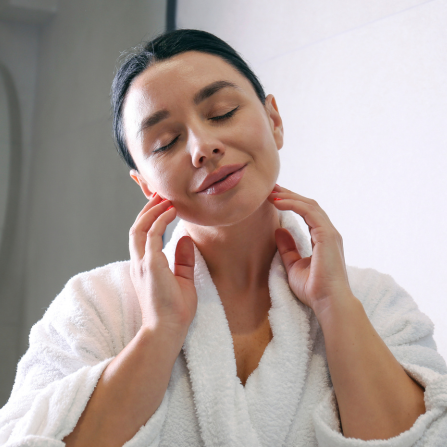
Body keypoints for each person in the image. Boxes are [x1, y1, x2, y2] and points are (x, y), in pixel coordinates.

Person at [1, 29, 446, 447]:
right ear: (145, 185)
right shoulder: (96, 307)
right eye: (166, 141)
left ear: (274, 120)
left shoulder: (374, 301)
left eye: (222, 113)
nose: (202, 146)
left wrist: (335, 306)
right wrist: (159, 332)